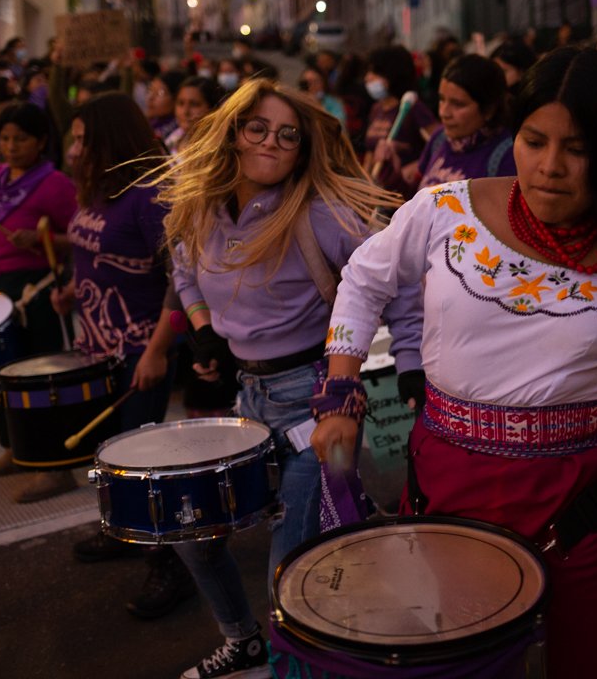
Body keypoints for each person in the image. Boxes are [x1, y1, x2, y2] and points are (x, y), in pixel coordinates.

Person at [315, 48, 597, 678]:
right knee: (455, 659)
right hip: (446, 490)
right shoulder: (446, 211)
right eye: (534, 140)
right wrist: (340, 392)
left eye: (575, 148)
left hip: (576, 511)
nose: (549, 167)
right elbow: (363, 279)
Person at [158, 78, 417, 679]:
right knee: (191, 533)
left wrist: (412, 368)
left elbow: (396, 284)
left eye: (288, 135)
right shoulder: (202, 207)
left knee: (293, 571)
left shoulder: (321, 215)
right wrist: (201, 329)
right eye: (258, 128)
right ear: (233, 134)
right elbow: (183, 263)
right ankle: (241, 641)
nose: (272, 142)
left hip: (318, 398)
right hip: (247, 399)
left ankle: (290, 669)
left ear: (302, 149)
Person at [50, 93, 186, 579]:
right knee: (113, 453)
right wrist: (72, 288)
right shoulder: (101, 188)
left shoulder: (151, 195)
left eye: (84, 140)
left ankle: (168, 563)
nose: (73, 150)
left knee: (144, 462)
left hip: (139, 350)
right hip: (101, 346)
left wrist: (155, 353)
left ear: (110, 141)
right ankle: (127, 531)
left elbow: (184, 281)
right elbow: (98, 252)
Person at [0, 103, 78, 500]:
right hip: (0, 289)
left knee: (38, 378)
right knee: (4, 373)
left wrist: (42, 240)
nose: (10, 146)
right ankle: (17, 450)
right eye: (5, 138)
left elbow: (81, 236)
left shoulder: (55, 184)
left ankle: (56, 468)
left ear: (42, 141)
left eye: (21, 139)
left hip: (40, 291)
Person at [407, 53, 515, 190]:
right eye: (441, 99)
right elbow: (414, 200)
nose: (444, 113)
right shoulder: (439, 139)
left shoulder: (507, 156)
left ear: (488, 110)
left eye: (458, 104)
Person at [362, 45, 440, 198]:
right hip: (380, 192)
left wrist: (417, 167)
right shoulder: (376, 109)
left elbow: (440, 145)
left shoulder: (412, 106)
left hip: (406, 193)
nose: (367, 78)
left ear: (392, 74)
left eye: (375, 72)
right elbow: (370, 152)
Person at [165, 75, 225, 154]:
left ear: (213, 109)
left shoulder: (218, 149)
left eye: (194, 104)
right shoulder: (172, 140)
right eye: (181, 103)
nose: (185, 111)